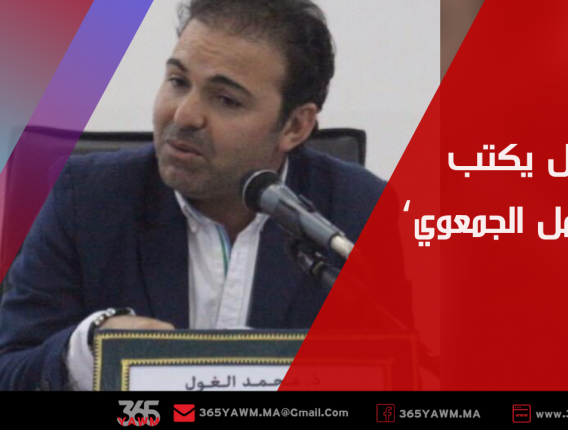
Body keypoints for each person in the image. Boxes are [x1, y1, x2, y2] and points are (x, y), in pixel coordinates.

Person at [0, 0, 393, 391]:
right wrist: (87, 349)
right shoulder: (84, 199)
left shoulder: (359, 214)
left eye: (226, 100)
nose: (184, 115)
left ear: (294, 126)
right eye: (178, 82)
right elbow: (9, 369)